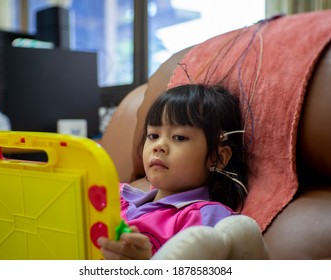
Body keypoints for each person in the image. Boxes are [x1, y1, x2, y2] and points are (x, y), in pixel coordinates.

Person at [97, 83, 248, 259]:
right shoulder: (114, 195)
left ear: (218, 158)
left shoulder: (205, 218)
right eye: (153, 136)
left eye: (179, 137)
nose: (159, 146)